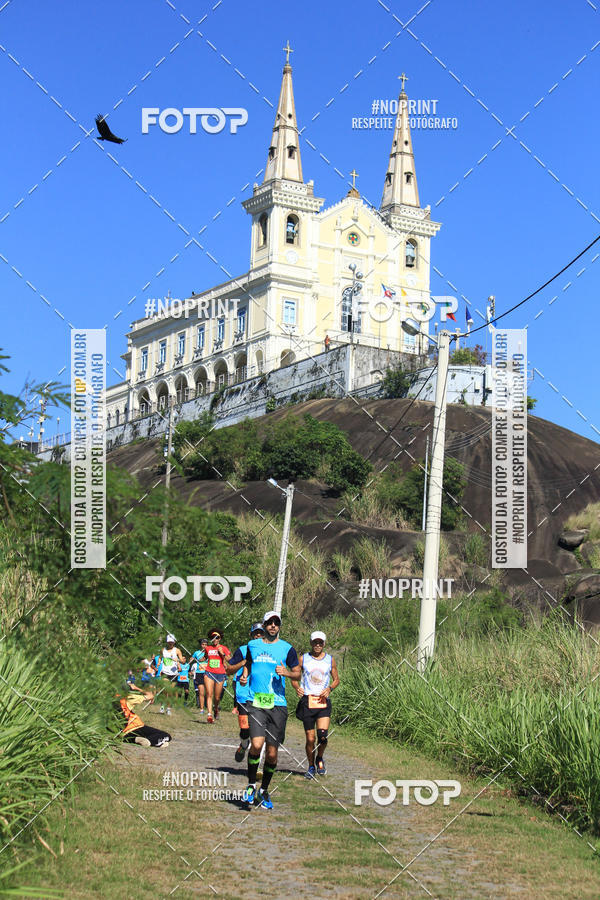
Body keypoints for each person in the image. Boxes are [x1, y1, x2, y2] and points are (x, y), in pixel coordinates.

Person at [227, 610, 300, 810]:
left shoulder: (287, 649)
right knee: (256, 745)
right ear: (265, 625)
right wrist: (245, 674)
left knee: (272, 754)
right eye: (269, 622)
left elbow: (297, 673)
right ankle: (251, 785)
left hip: (277, 705)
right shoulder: (253, 645)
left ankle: (264, 789)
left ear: (279, 626)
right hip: (256, 703)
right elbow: (249, 663)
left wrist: (287, 672)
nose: (273, 626)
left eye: (276, 623)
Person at [293, 631, 339, 777]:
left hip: (323, 702)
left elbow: (336, 679)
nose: (317, 645)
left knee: (323, 736)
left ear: (324, 644)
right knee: (310, 739)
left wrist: (330, 688)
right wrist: (297, 688)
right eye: (315, 642)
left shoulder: (330, 660)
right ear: (311, 643)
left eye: (320, 643)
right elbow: (294, 676)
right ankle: (311, 766)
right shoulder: (303, 659)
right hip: (308, 702)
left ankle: (320, 757)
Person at [227, 622, 264, 763]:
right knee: (244, 730)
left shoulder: (269, 651)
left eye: (261, 633)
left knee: (260, 730)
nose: (258, 635)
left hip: (261, 695)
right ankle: (243, 744)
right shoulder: (242, 650)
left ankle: (257, 761)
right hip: (243, 695)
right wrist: (242, 663)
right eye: (256, 633)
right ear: (251, 635)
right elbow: (229, 669)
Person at [115, 683, 172, 748]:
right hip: (135, 726)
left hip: (122, 731)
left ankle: (134, 739)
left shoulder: (112, 699)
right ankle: (151, 742)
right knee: (166, 736)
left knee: (127, 736)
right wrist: (136, 688)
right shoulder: (128, 698)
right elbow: (150, 695)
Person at [204, 629, 231, 724]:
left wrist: (222, 653)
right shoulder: (208, 648)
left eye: (217, 637)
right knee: (209, 694)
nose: (215, 639)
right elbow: (205, 657)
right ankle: (209, 715)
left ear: (220, 639)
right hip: (209, 672)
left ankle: (216, 708)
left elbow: (229, 659)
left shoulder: (224, 648)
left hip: (220, 673)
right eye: (213, 638)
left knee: (217, 697)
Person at [190, 639, 209, 713]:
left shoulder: (209, 652)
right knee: (201, 692)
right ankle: (201, 709)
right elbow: (191, 659)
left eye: (205, 644)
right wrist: (191, 659)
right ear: (201, 645)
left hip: (208, 673)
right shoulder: (197, 653)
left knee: (209, 692)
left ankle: (209, 707)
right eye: (203, 644)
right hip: (199, 673)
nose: (204, 646)